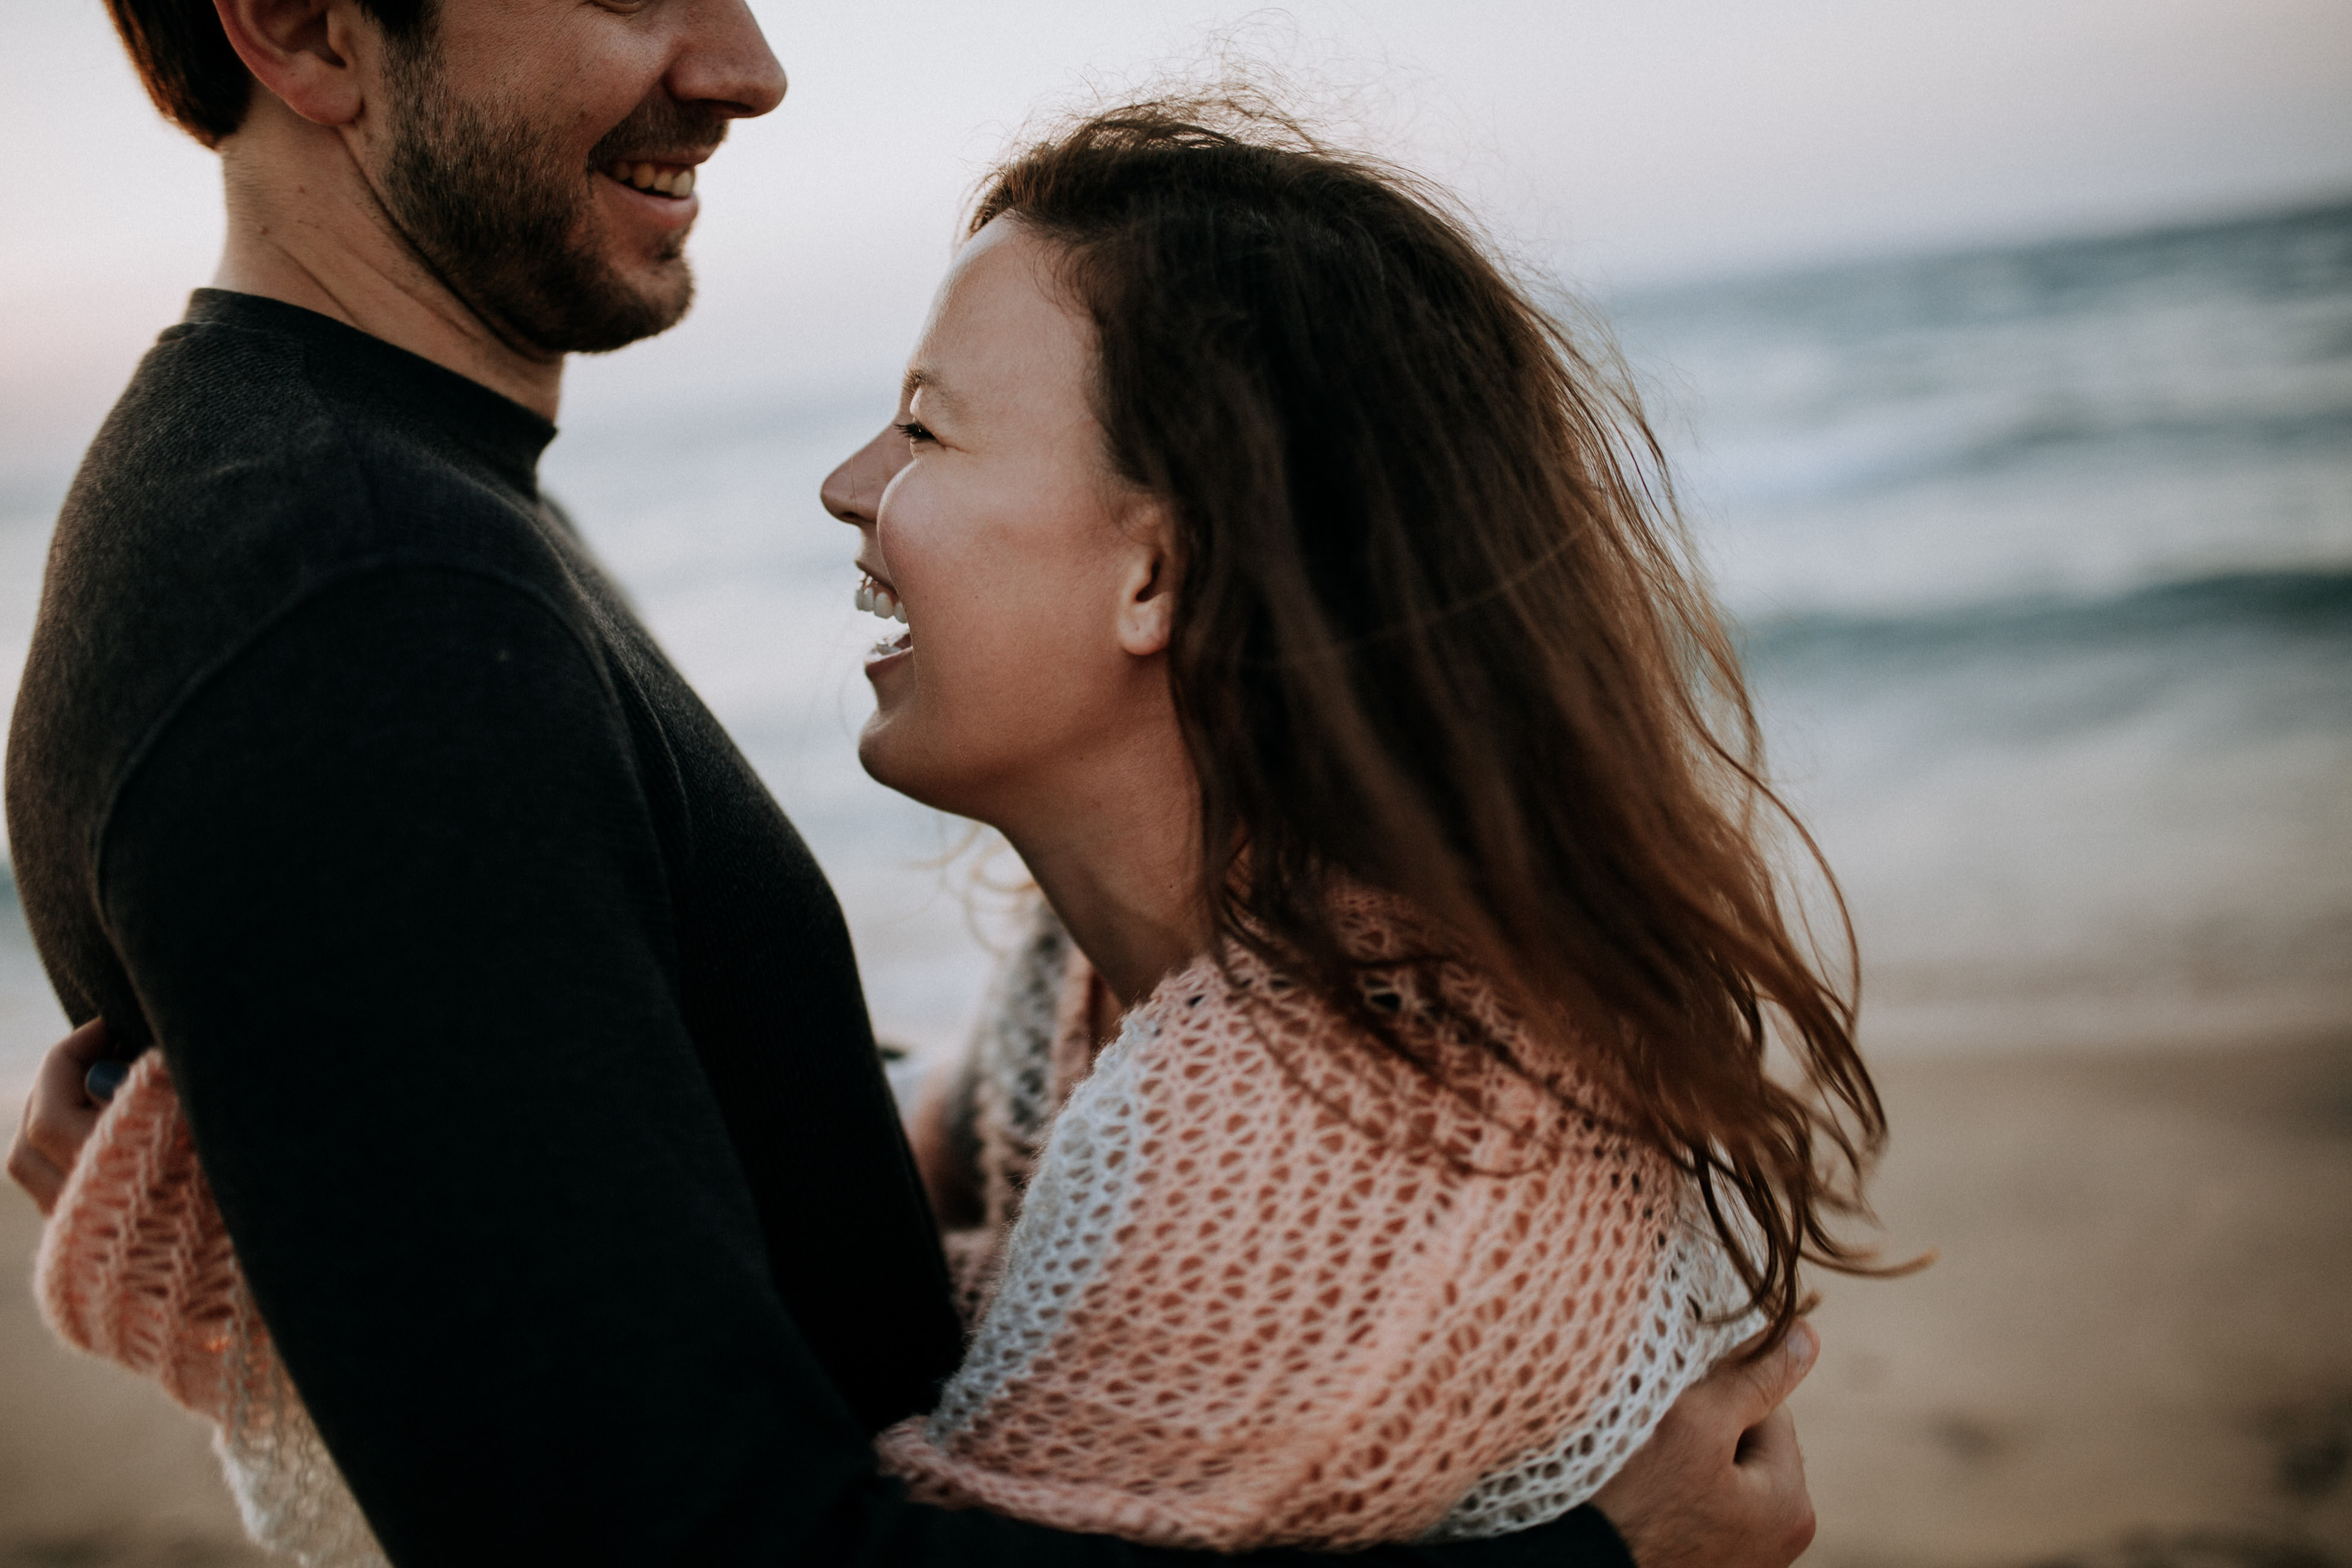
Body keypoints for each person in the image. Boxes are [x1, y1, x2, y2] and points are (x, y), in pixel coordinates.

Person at [5, 0, 1823, 1563]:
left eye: (932, 427)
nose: (749, 62)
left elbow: (699, 1226)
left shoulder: (411, 523)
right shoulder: (353, 596)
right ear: (308, 24)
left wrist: (364, 1220)